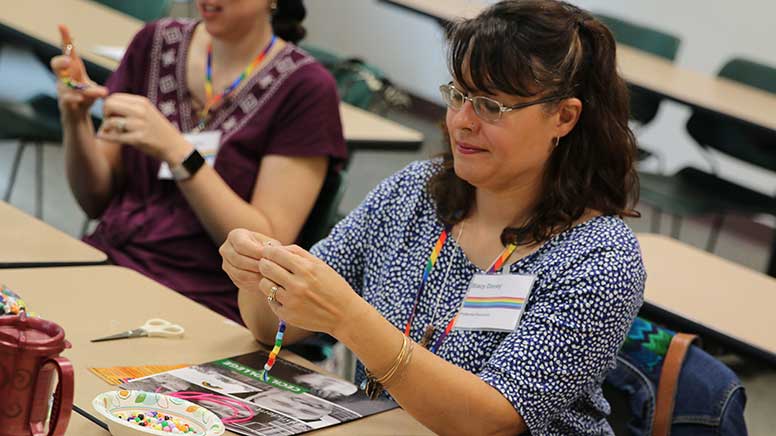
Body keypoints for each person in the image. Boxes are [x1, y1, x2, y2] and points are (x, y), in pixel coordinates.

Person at [221, 1, 645, 434]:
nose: (461, 121)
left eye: (491, 106)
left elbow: (490, 420)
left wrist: (347, 317)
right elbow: (272, 326)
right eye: (458, 96)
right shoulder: (415, 193)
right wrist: (261, 276)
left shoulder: (600, 261)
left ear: (564, 116)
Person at [50, 0, 347, 323]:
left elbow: (265, 249)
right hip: (107, 265)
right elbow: (94, 200)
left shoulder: (306, 89)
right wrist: (75, 119)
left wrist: (179, 153)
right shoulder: (155, 42)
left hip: (203, 301)